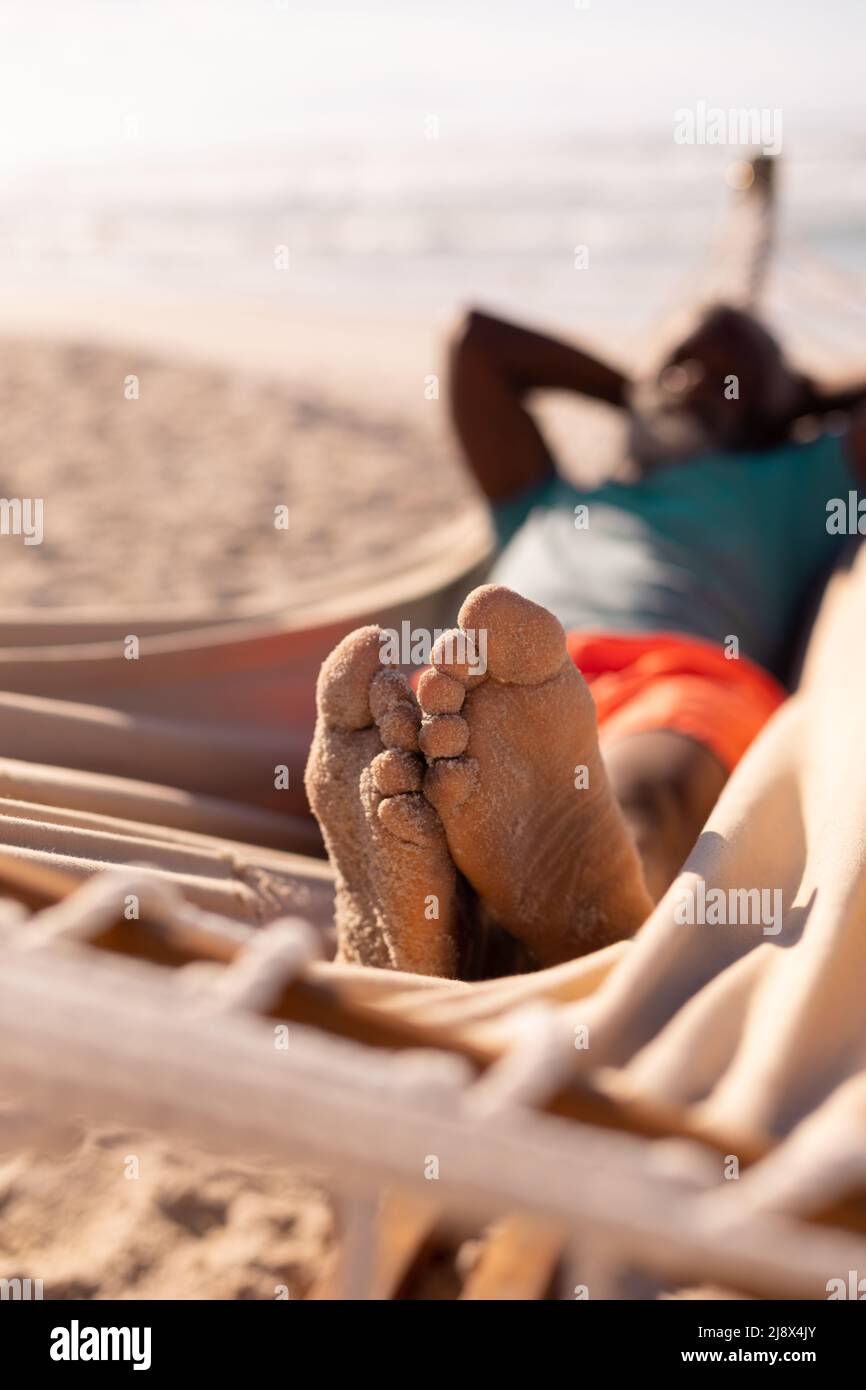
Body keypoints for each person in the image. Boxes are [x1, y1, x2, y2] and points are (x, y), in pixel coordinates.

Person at [305, 303, 866, 979]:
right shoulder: (543, 496)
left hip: (673, 677)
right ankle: (462, 916)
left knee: (644, 792)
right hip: (490, 692)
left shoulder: (799, 483)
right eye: (678, 364)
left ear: (781, 417)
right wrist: (649, 392)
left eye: (730, 381)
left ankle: (580, 914)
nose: (694, 380)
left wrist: (807, 402)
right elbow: (475, 343)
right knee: (442, 762)